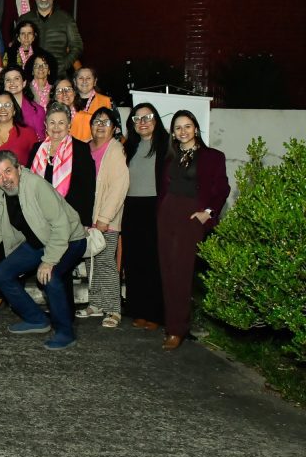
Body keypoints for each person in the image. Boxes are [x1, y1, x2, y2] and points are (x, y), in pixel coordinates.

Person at [0, 151, 88, 350]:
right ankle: (36, 319)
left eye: (8, 171)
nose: (5, 179)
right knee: (1, 273)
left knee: (50, 277)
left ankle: (65, 332)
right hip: (39, 241)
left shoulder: (36, 186)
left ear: (19, 168)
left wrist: (49, 260)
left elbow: (61, 225)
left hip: (70, 239)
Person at [157, 110, 230, 350]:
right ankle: (172, 325)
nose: (183, 131)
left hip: (191, 217)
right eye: (178, 128)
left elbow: (222, 189)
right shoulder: (170, 157)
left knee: (182, 271)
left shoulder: (213, 156)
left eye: (187, 126)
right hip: (167, 215)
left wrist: (207, 213)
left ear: (196, 128)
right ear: (174, 134)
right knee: (167, 271)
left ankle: (177, 329)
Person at [0, 92, 39, 311]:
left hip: (18, 191)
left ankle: (16, 293)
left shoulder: (28, 133)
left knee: (18, 239)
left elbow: (35, 162)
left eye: (7, 104)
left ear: (15, 109)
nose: (3, 108)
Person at [78, 107, 130, 328]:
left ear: (115, 128)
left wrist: (104, 217)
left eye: (106, 122)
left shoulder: (115, 149)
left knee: (106, 262)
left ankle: (113, 309)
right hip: (87, 217)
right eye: (96, 121)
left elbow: (120, 186)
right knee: (91, 261)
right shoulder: (86, 148)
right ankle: (96, 304)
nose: (100, 125)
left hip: (106, 218)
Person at [123, 102, 168, 331]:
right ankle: (138, 310)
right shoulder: (128, 146)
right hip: (131, 207)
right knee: (134, 261)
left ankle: (155, 313)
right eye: (137, 118)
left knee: (154, 262)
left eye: (147, 117)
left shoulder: (168, 146)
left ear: (156, 119)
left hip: (156, 207)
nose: (142, 122)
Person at [28, 102, 95, 227]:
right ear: (46, 125)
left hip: (71, 220)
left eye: (61, 123)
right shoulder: (36, 149)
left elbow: (88, 189)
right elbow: (27, 183)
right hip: (40, 219)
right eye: (52, 122)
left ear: (69, 125)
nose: (56, 127)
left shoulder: (81, 149)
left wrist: (85, 223)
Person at [19, 0, 83, 78]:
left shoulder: (65, 19)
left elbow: (77, 46)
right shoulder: (25, 19)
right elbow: (16, 46)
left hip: (58, 76)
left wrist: (63, 65)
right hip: (32, 76)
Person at [0, 65, 47, 140]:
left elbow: (40, 141)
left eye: (16, 79)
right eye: (8, 80)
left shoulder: (38, 111)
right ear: (3, 84)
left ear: (24, 83)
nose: (12, 83)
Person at [70, 66, 113, 142]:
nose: (84, 81)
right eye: (80, 78)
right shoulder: (67, 101)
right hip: (71, 147)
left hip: (98, 146)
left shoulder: (107, 101)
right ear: (75, 82)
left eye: (88, 78)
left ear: (95, 81)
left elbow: (116, 131)